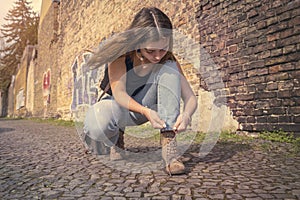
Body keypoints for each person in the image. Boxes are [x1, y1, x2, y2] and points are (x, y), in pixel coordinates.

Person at [83, 7, 197, 175]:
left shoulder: (167, 59)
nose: (157, 56)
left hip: (152, 108)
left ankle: (169, 146)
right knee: (96, 125)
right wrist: (145, 111)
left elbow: (191, 97)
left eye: (162, 49)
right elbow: (120, 93)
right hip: (122, 109)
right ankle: (115, 139)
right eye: (150, 50)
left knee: (170, 67)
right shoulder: (121, 56)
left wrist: (186, 115)